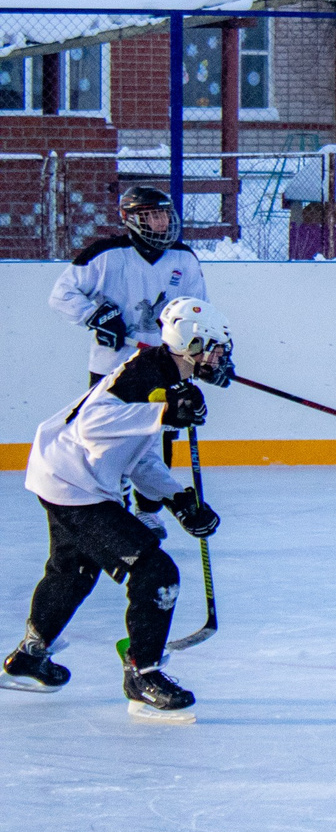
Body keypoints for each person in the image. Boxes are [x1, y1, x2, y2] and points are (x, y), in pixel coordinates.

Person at [5, 297, 229, 722]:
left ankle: (30, 657)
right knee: (155, 573)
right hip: (76, 484)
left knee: (73, 571)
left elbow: (135, 453)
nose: (220, 357)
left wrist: (177, 499)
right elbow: (91, 427)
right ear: (191, 344)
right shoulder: (145, 375)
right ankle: (142, 676)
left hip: (65, 474)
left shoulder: (166, 377)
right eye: (214, 347)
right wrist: (163, 412)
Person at [49, 183, 210, 526]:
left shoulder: (184, 258)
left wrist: (204, 356)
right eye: (151, 216)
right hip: (112, 369)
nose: (161, 223)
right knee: (109, 442)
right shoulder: (105, 255)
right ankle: (111, 506)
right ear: (130, 219)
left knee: (159, 437)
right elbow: (62, 294)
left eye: (164, 215)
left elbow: (199, 313)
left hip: (162, 367)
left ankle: (148, 513)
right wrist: (95, 316)